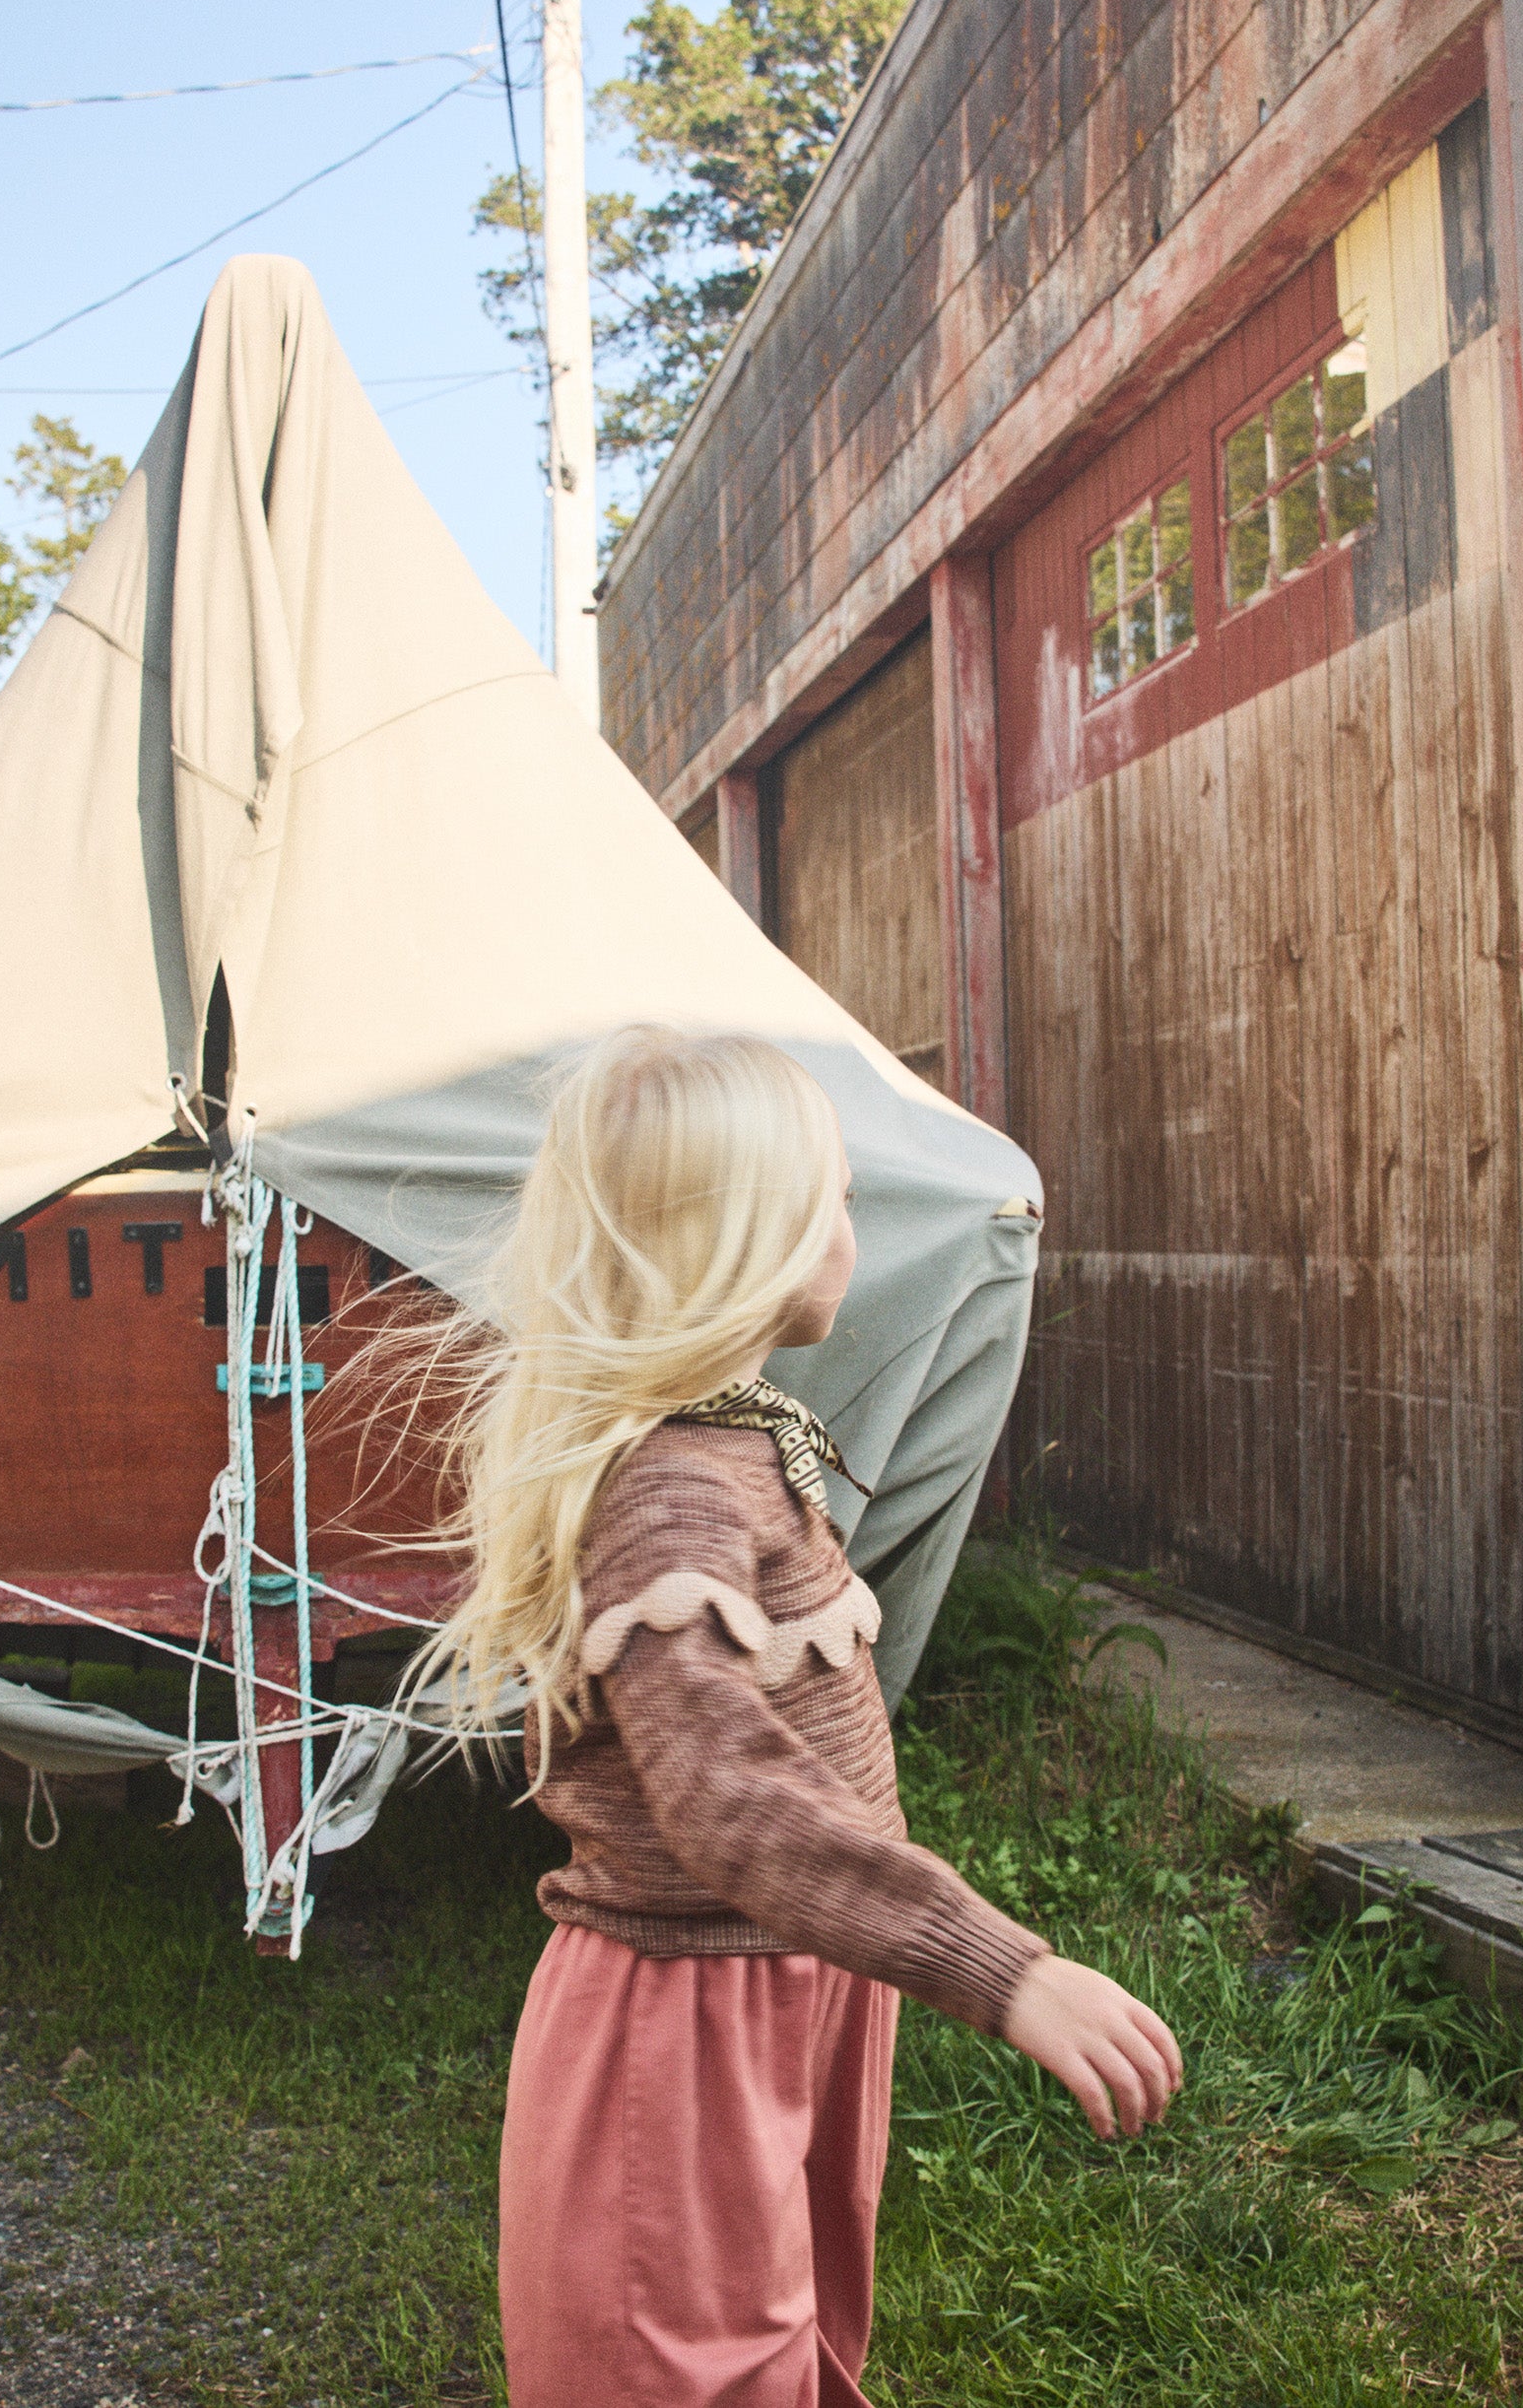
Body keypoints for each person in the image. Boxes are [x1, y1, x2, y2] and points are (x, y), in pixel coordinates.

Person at [410, 1025, 1181, 2408]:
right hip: (690, 2023)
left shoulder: (735, 1437)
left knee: (794, 2329)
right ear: (745, 1238)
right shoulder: (671, 1494)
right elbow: (728, 1800)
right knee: (686, 2365)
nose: (852, 1231)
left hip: (790, 1981)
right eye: (833, 1200)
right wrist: (1004, 1970)